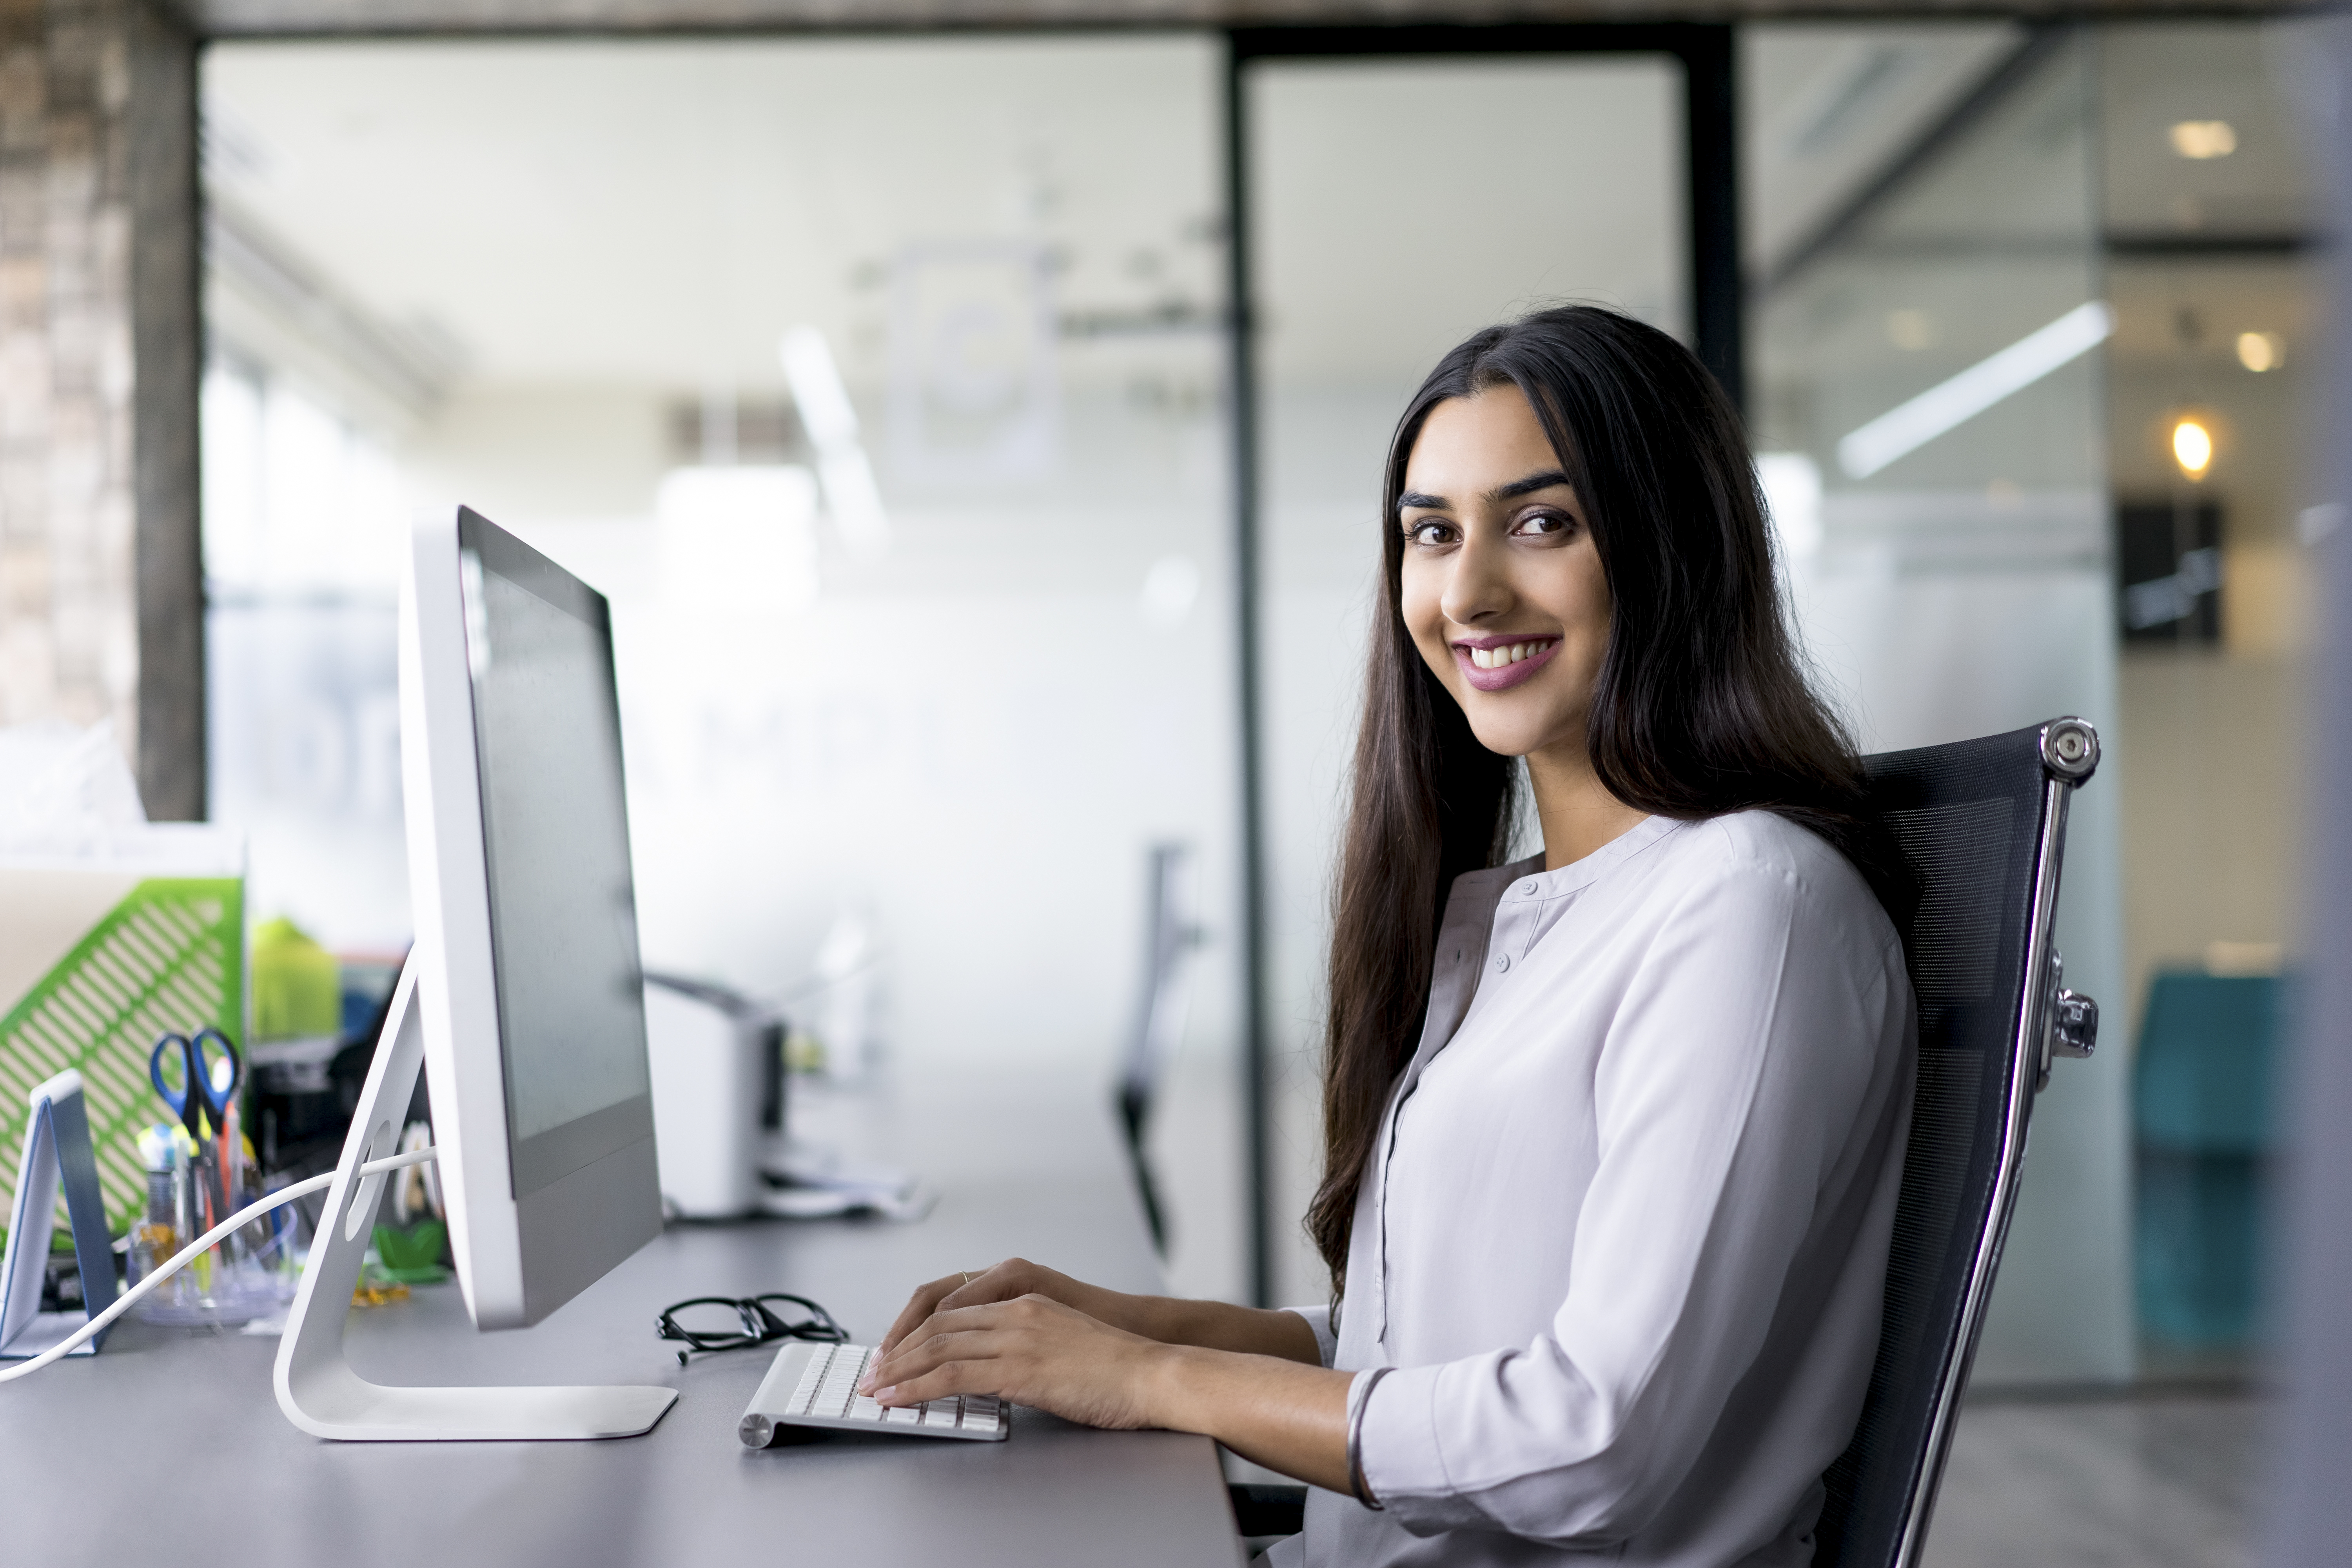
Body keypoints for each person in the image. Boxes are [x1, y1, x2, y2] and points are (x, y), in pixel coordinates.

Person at [861, 305, 1918, 1568]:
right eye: (1431, 534)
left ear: (1672, 547)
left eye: (1543, 523)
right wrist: (1120, 1330)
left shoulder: (1749, 906)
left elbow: (1591, 1437)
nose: (1468, 591)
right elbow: (1422, 1357)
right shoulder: (1529, 912)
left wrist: (1146, 1379)